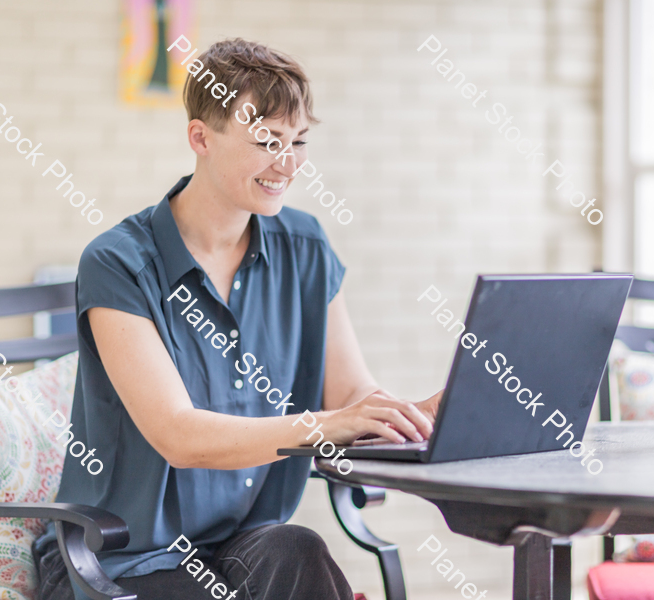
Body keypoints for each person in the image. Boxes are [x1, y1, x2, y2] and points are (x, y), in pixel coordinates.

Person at [34, 37, 443, 600]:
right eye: (267, 141)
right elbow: (179, 436)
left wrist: (408, 415)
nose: (288, 163)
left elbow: (350, 391)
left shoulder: (305, 247)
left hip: (238, 547)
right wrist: (328, 425)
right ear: (201, 138)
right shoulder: (118, 264)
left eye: (298, 141)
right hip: (117, 561)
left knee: (298, 548)